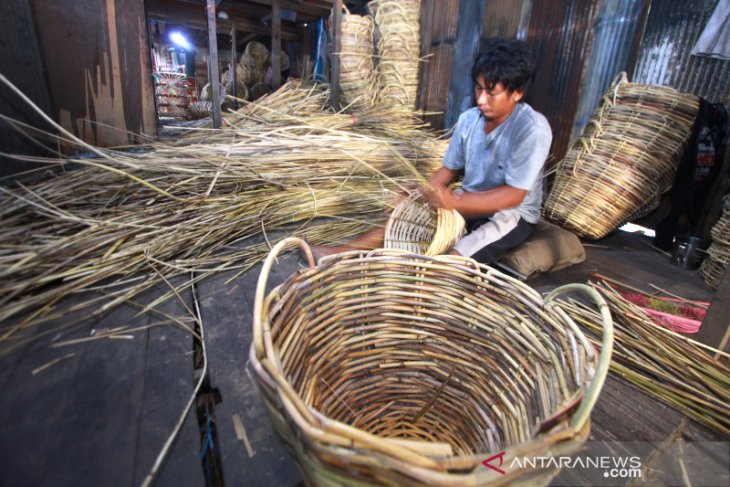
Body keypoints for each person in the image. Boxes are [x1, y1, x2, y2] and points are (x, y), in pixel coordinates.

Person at [310, 38, 552, 263]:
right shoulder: (469, 120)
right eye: (478, 89)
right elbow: (449, 169)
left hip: (510, 214)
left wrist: (455, 200)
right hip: (467, 203)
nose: (481, 99)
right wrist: (417, 194)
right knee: (404, 220)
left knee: (457, 256)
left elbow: (514, 195)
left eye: (491, 92)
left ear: (517, 93)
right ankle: (341, 252)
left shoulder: (531, 129)